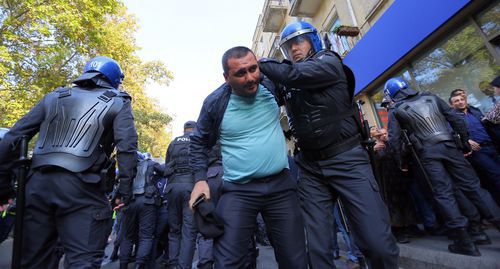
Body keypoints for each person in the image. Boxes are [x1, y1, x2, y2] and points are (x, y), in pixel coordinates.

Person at [258, 21, 399, 269]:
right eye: (288, 46)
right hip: (310, 167)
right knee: (317, 249)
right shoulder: (286, 78)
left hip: (347, 158)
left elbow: (293, 74)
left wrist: (259, 61)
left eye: (298, 42)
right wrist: (248, 72)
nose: (293, 49)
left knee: (377, 243)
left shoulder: (328, 62)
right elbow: (266, 93)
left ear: (312, 40)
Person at [0, 56, 138, 268]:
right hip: (84, 189)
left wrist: (5, 188)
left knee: (33, 261)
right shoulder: (119, 101)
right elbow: (127, 149)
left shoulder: (54, 97)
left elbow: (11, 138)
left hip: (37, 186)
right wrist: (124, 193)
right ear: (113, 79)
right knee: (83, 261)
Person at [189, 46, 307, 269]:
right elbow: (198, 143)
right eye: (240, 73)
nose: (250, 77)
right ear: (226, 78)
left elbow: (298, 78)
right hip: (238, 190)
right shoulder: (215, 103)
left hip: (281, 187)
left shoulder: (271, 85)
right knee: (227, 262)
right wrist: (199, 180)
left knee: (295, 260)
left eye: (253, 69)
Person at [385, 77, 500, 256]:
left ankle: (464, 241)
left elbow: (394, 140)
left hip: (427, 155)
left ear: (391, 94)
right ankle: (482, 231)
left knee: (443, 194)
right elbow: (456, 119)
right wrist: (463, 143)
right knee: (474, 188)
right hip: (450, 148)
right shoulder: (431, 97)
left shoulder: (396, 109)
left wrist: (401, 162)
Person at [449, 92, 500, 204]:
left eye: (462, 99)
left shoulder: (475, 111)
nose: (460, 101)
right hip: (477, 151)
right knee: (496, 174)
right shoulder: (452, 118)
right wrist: (465, 140)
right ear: (452, 105)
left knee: (492, 179)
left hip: (491, 146)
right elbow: (451, 134)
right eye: (456, 101)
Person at [119, 152, 163, 269]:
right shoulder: (152, 164)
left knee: (127, 237)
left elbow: (120, 187)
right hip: (147, 203)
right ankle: (139, 265)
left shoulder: (127, 168)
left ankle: (123, 265)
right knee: (146, 236)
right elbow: (165, 171)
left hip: (130, 202)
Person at [163, 121, 198, 269]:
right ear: (194, 130)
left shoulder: (173, 143)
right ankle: (184, 266)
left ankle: (173, 264)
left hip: (172, 188)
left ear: (184, 130)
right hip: (190, 188)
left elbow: (166, 166)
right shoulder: (198, 141)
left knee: (174, 230)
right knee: (189, 231)